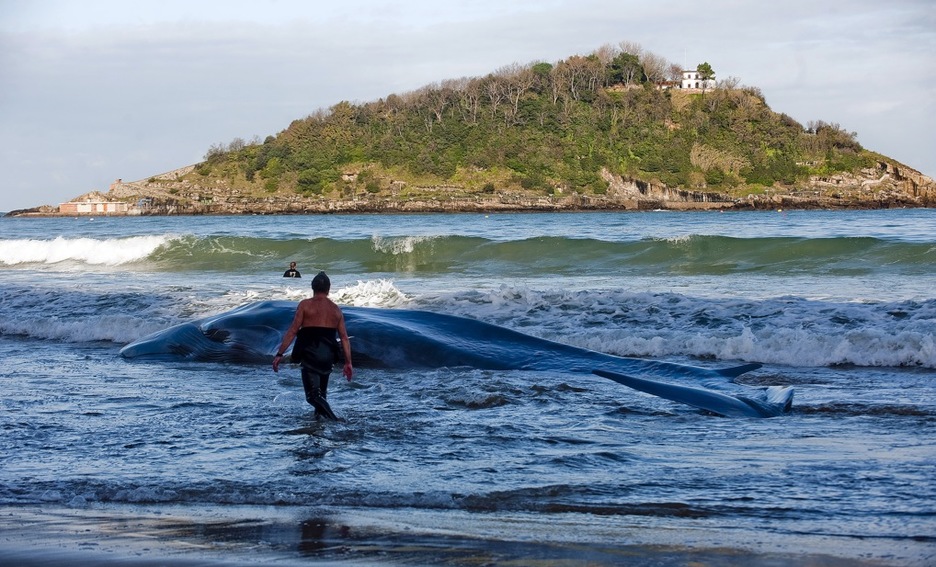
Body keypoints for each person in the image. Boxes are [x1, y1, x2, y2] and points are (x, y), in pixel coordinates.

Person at [272, 271, 353, 419]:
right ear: (328, 289)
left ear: (312, 288)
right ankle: (317, 431)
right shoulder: (336, 310)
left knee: (312, 397)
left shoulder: (305, 305)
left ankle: (335, 420)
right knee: (322, 395)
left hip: (310, 355)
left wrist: (279, 354)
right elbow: (344, 338)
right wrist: (348, 362)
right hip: (328, 356)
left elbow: (292, 331)